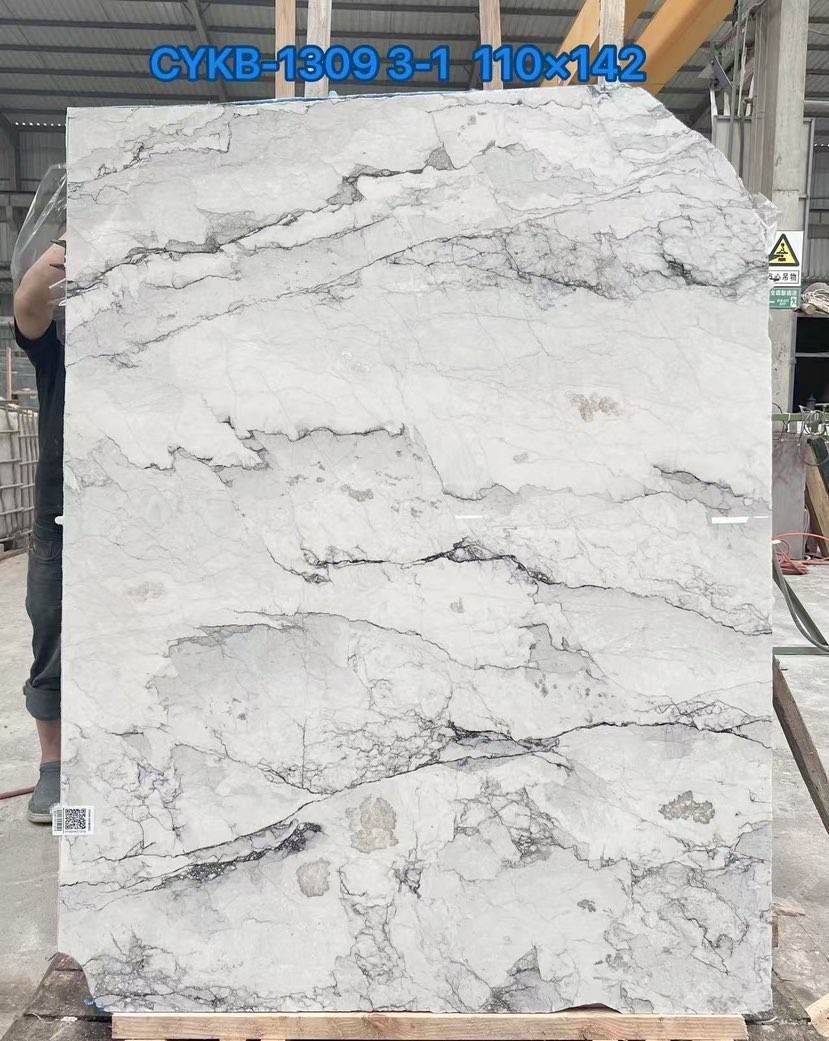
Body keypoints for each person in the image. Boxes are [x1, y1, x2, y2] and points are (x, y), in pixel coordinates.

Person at [13, 233, 66, 823]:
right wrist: (88, 221)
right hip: (62, 518)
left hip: (146, 519)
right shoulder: (63, 347)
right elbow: (29, 299)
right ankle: (54, 769)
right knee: (51, 636)